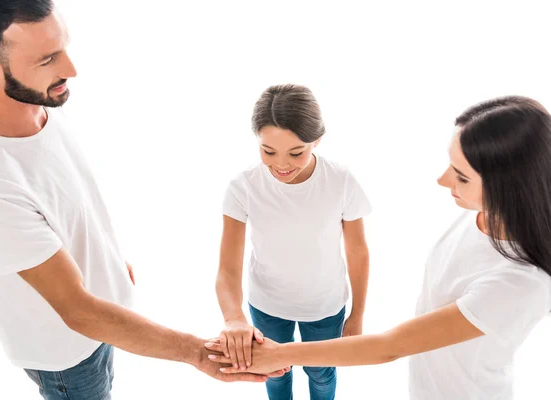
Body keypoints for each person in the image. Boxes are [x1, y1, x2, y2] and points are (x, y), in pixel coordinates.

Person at [0, 1, 283, 399]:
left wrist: (108, 261)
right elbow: (79, 312)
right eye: (48, 60)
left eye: (64, 48)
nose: (71, 69)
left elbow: (69, 202)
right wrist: (197, 353)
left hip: (101, 322)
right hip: (68, 356)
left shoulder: (37, 105)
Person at [208, 95, 551, 399]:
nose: (443, 180)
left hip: (464, 393)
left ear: (509, 187)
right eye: (451, 166)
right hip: (425, 387)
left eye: (461, 176)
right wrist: (237, 320)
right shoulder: (482, 215)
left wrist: (283, 353)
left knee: (321, 376)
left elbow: (390, 347)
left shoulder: (520, 282)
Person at [216, 84, 371, 399]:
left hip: (325, 306)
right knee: (273, 375)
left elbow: (357, 252)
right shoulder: (242, 187)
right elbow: (227, 268)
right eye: (268, 151)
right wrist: (234, 318)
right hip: (267, 304)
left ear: (317, 141)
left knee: (322, 375)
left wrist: (357, 314)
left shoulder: (341, 181)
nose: (281, 164)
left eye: (296, 152)